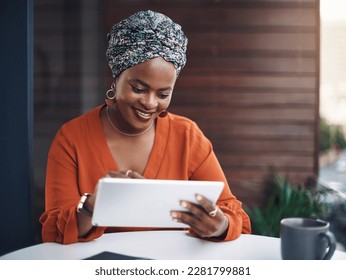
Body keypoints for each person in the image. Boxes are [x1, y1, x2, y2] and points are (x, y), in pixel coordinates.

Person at [39, 10, 251, 244]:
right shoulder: (72, 138)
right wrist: (92, 207)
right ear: (116, 77)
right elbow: (56, 230)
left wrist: (219, 225)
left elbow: (233, 215)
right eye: (138, 89)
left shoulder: (187, 137)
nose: (150, 103)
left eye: (163, 94)